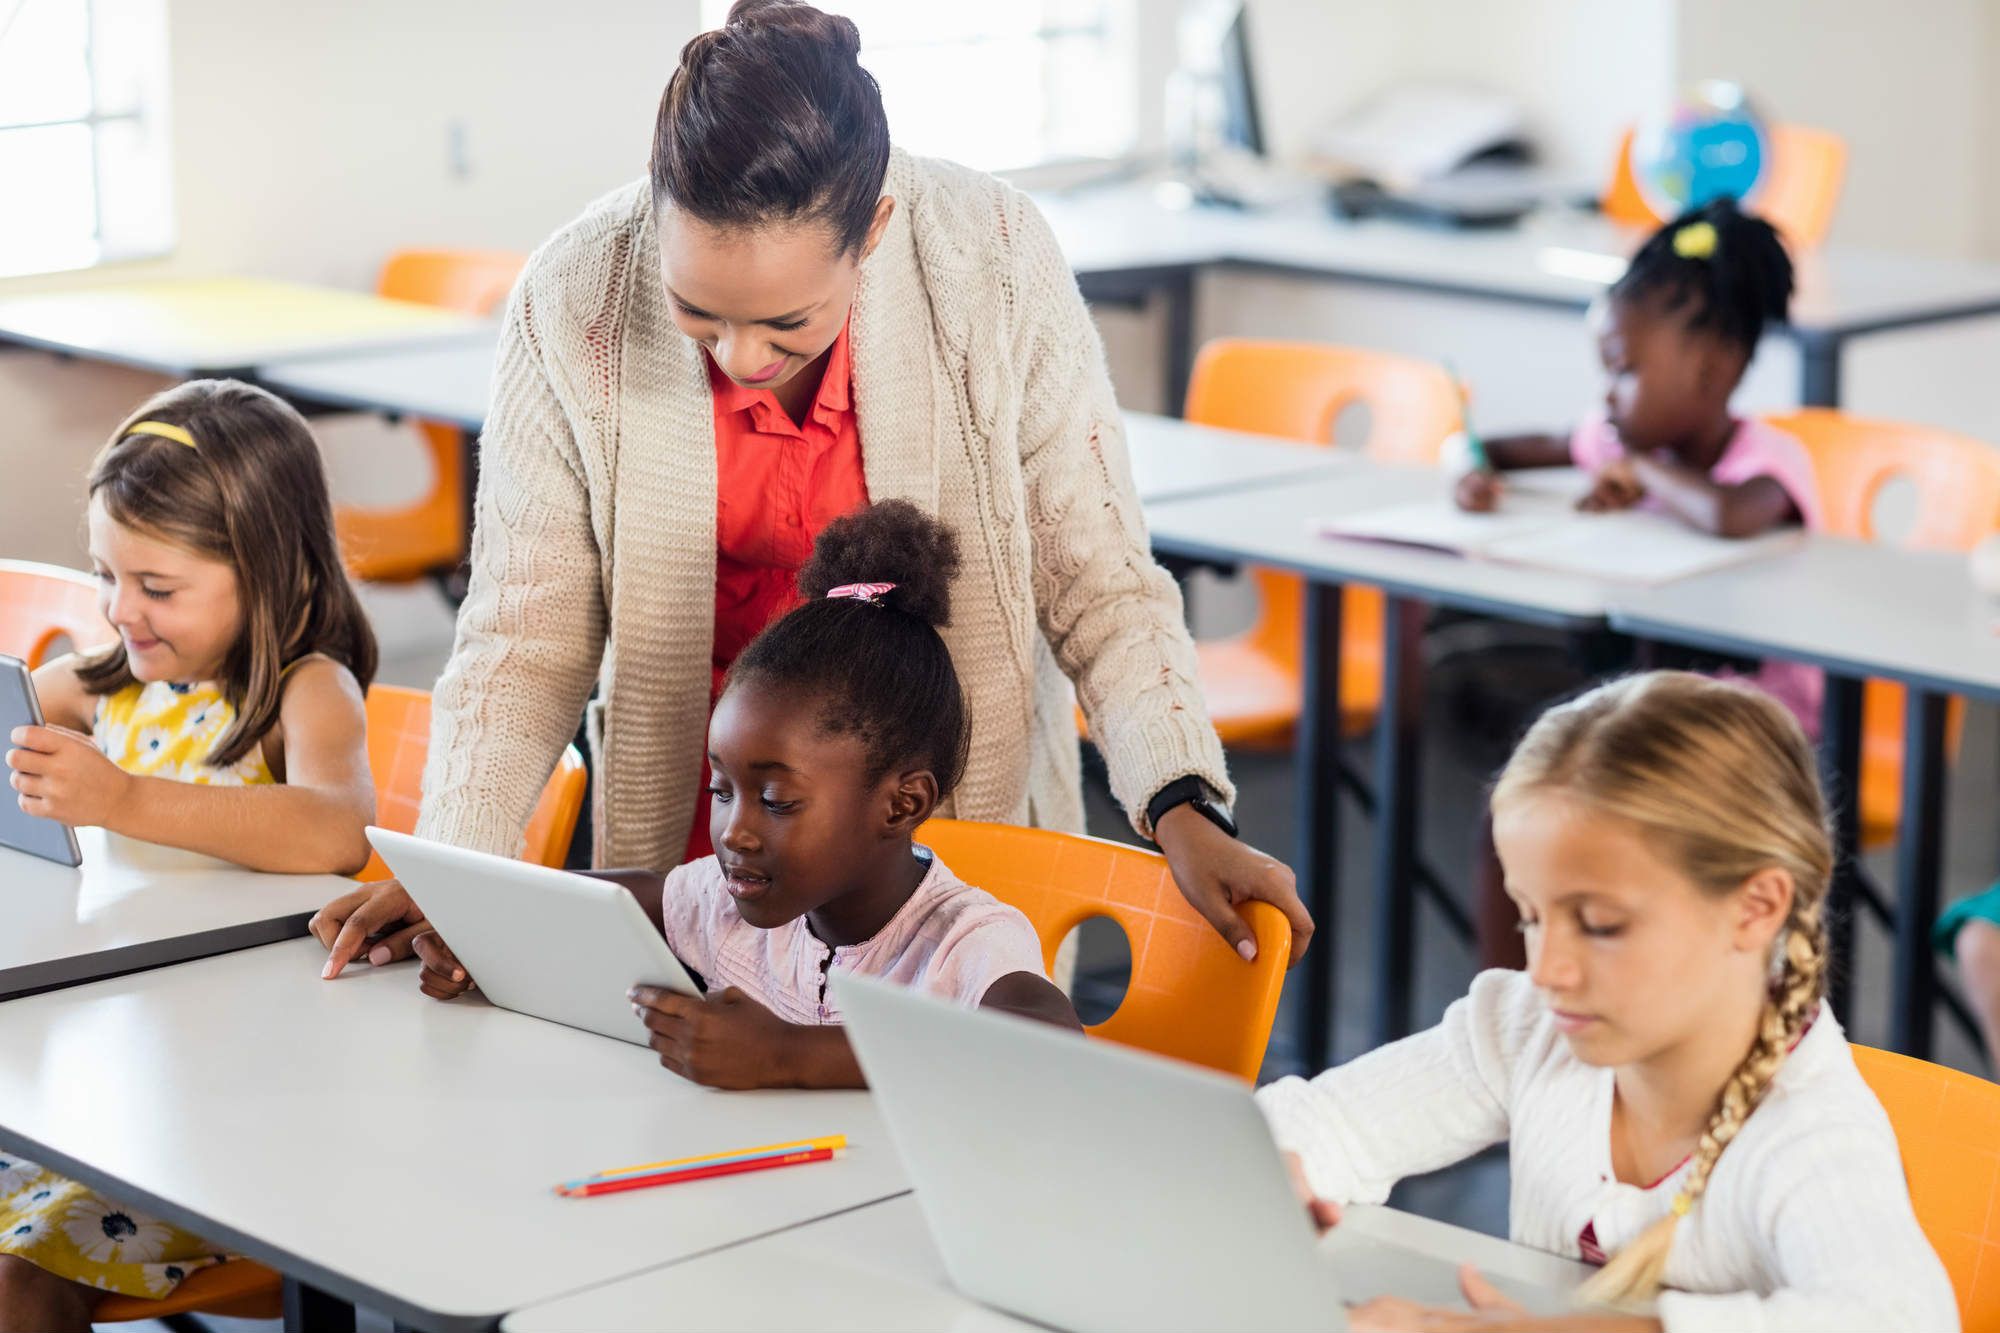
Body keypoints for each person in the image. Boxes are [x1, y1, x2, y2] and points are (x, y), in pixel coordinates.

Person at [310, 0, 1308, 983]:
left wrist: (1179, 799)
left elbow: (1098, 580)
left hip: (954, 868)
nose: (742, 358)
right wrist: (450, 862)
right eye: (697, 314)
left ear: (871, 230)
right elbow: (521, 642)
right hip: (702, 865)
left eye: (787, 325)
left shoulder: (991, 256)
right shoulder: (575, 293)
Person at [1262, 674, 1954, 1332]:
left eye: (1600, 924)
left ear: (1756, 907)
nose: (1547, 967)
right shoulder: (1529, 1023)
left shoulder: (1808, 1135)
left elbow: (1899, 1320)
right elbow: (1326, 1125)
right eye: (1531, 916)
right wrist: (1277, 1168)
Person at [410, 502, 1077, 1088]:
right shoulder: (731, 901)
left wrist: (790, 1055)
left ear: (901, 804)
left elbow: (1047, 1049)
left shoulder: (962, 943)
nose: (733, 830)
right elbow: (595, 903)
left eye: (778, 799)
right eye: (722, 789)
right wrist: (478, 937)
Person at [0, 380, 376, 1330]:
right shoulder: (106, 685)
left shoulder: (309, 688)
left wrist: (124, 798)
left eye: (157, 587)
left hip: (231, 1115)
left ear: (271, 571)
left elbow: (336, 828)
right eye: (105, 575)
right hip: (109, 1068)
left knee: (14, 1284)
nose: (120, 611)